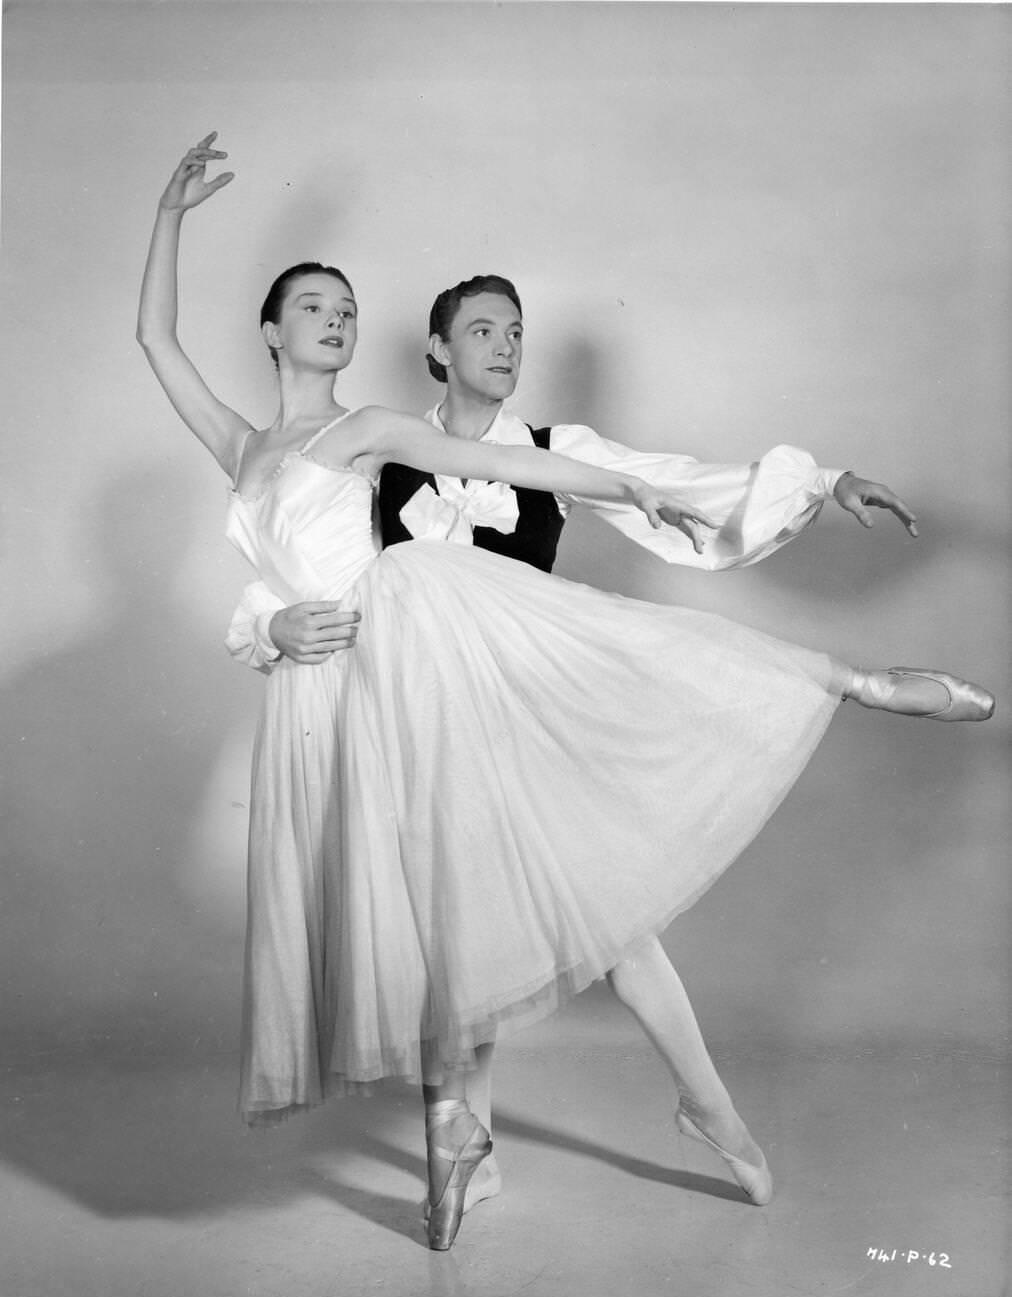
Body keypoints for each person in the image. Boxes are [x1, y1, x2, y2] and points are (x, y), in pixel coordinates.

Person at [137, 136, 994, 1252]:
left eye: (513, 332)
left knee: (592, 920)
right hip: (374, 706)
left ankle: (833, 687)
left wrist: (750, 483)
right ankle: (468, 1141)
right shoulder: (308, 444)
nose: (503, 348)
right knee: (461, 922)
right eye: (481, 331)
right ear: (434, 350)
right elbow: (160, 347)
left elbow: (549, 471)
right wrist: (173, 209)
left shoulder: (388, 434)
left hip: (501, 681)